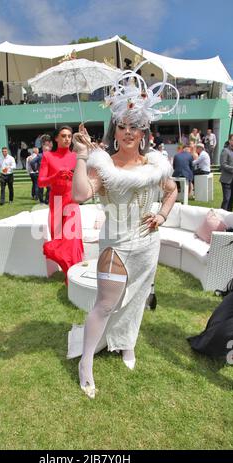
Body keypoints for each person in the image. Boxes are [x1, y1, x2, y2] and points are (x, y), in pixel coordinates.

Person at [70, 65, 178, 398]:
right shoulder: (103, 164)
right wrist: (81, 156)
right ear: (115, 130)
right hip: (116, 245)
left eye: (135, 127)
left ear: (144, 132)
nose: (128, 132)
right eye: (122, 126)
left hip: (148, 244)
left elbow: (171, 190)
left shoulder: (156, 164)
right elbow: (79, 195)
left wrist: (161, 214)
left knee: (138, 300)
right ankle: (85, 362)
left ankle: (126, 344)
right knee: (105, 304)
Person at [38, 126, 84, 281]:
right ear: (56, 138)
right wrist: (55, 176)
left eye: (69, 136)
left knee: (72, 241)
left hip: (71, 202)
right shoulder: (48, 156)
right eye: (63, 136)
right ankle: (68, 272)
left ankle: (72, 277)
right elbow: (41, 182)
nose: (67, 139)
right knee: (58, 241)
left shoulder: (76, 156)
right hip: (56, 203)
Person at [220, 133, 233, 212]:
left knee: (232, 199)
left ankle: (229, 218)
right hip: (227, 180)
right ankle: (221, 217)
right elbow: (223, 165)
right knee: (227, 199)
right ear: (229, 141)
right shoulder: (225, 151)